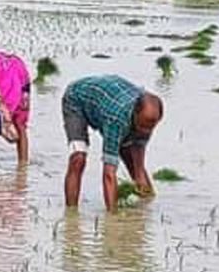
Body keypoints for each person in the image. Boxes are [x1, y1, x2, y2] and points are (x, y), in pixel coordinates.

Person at [62, 75, 163, 212]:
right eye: (142, 126)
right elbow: (109, 173)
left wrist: (146, 208)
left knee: (133, 163)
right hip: (77, 99)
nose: (146, 131)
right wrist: (113, 219)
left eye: (150, 127)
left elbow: (139, 168)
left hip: (108, 100)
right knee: (78, 158)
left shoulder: (148, 118)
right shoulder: (115, 120)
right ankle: (71, 214)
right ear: (135, 113)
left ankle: (145, 208)